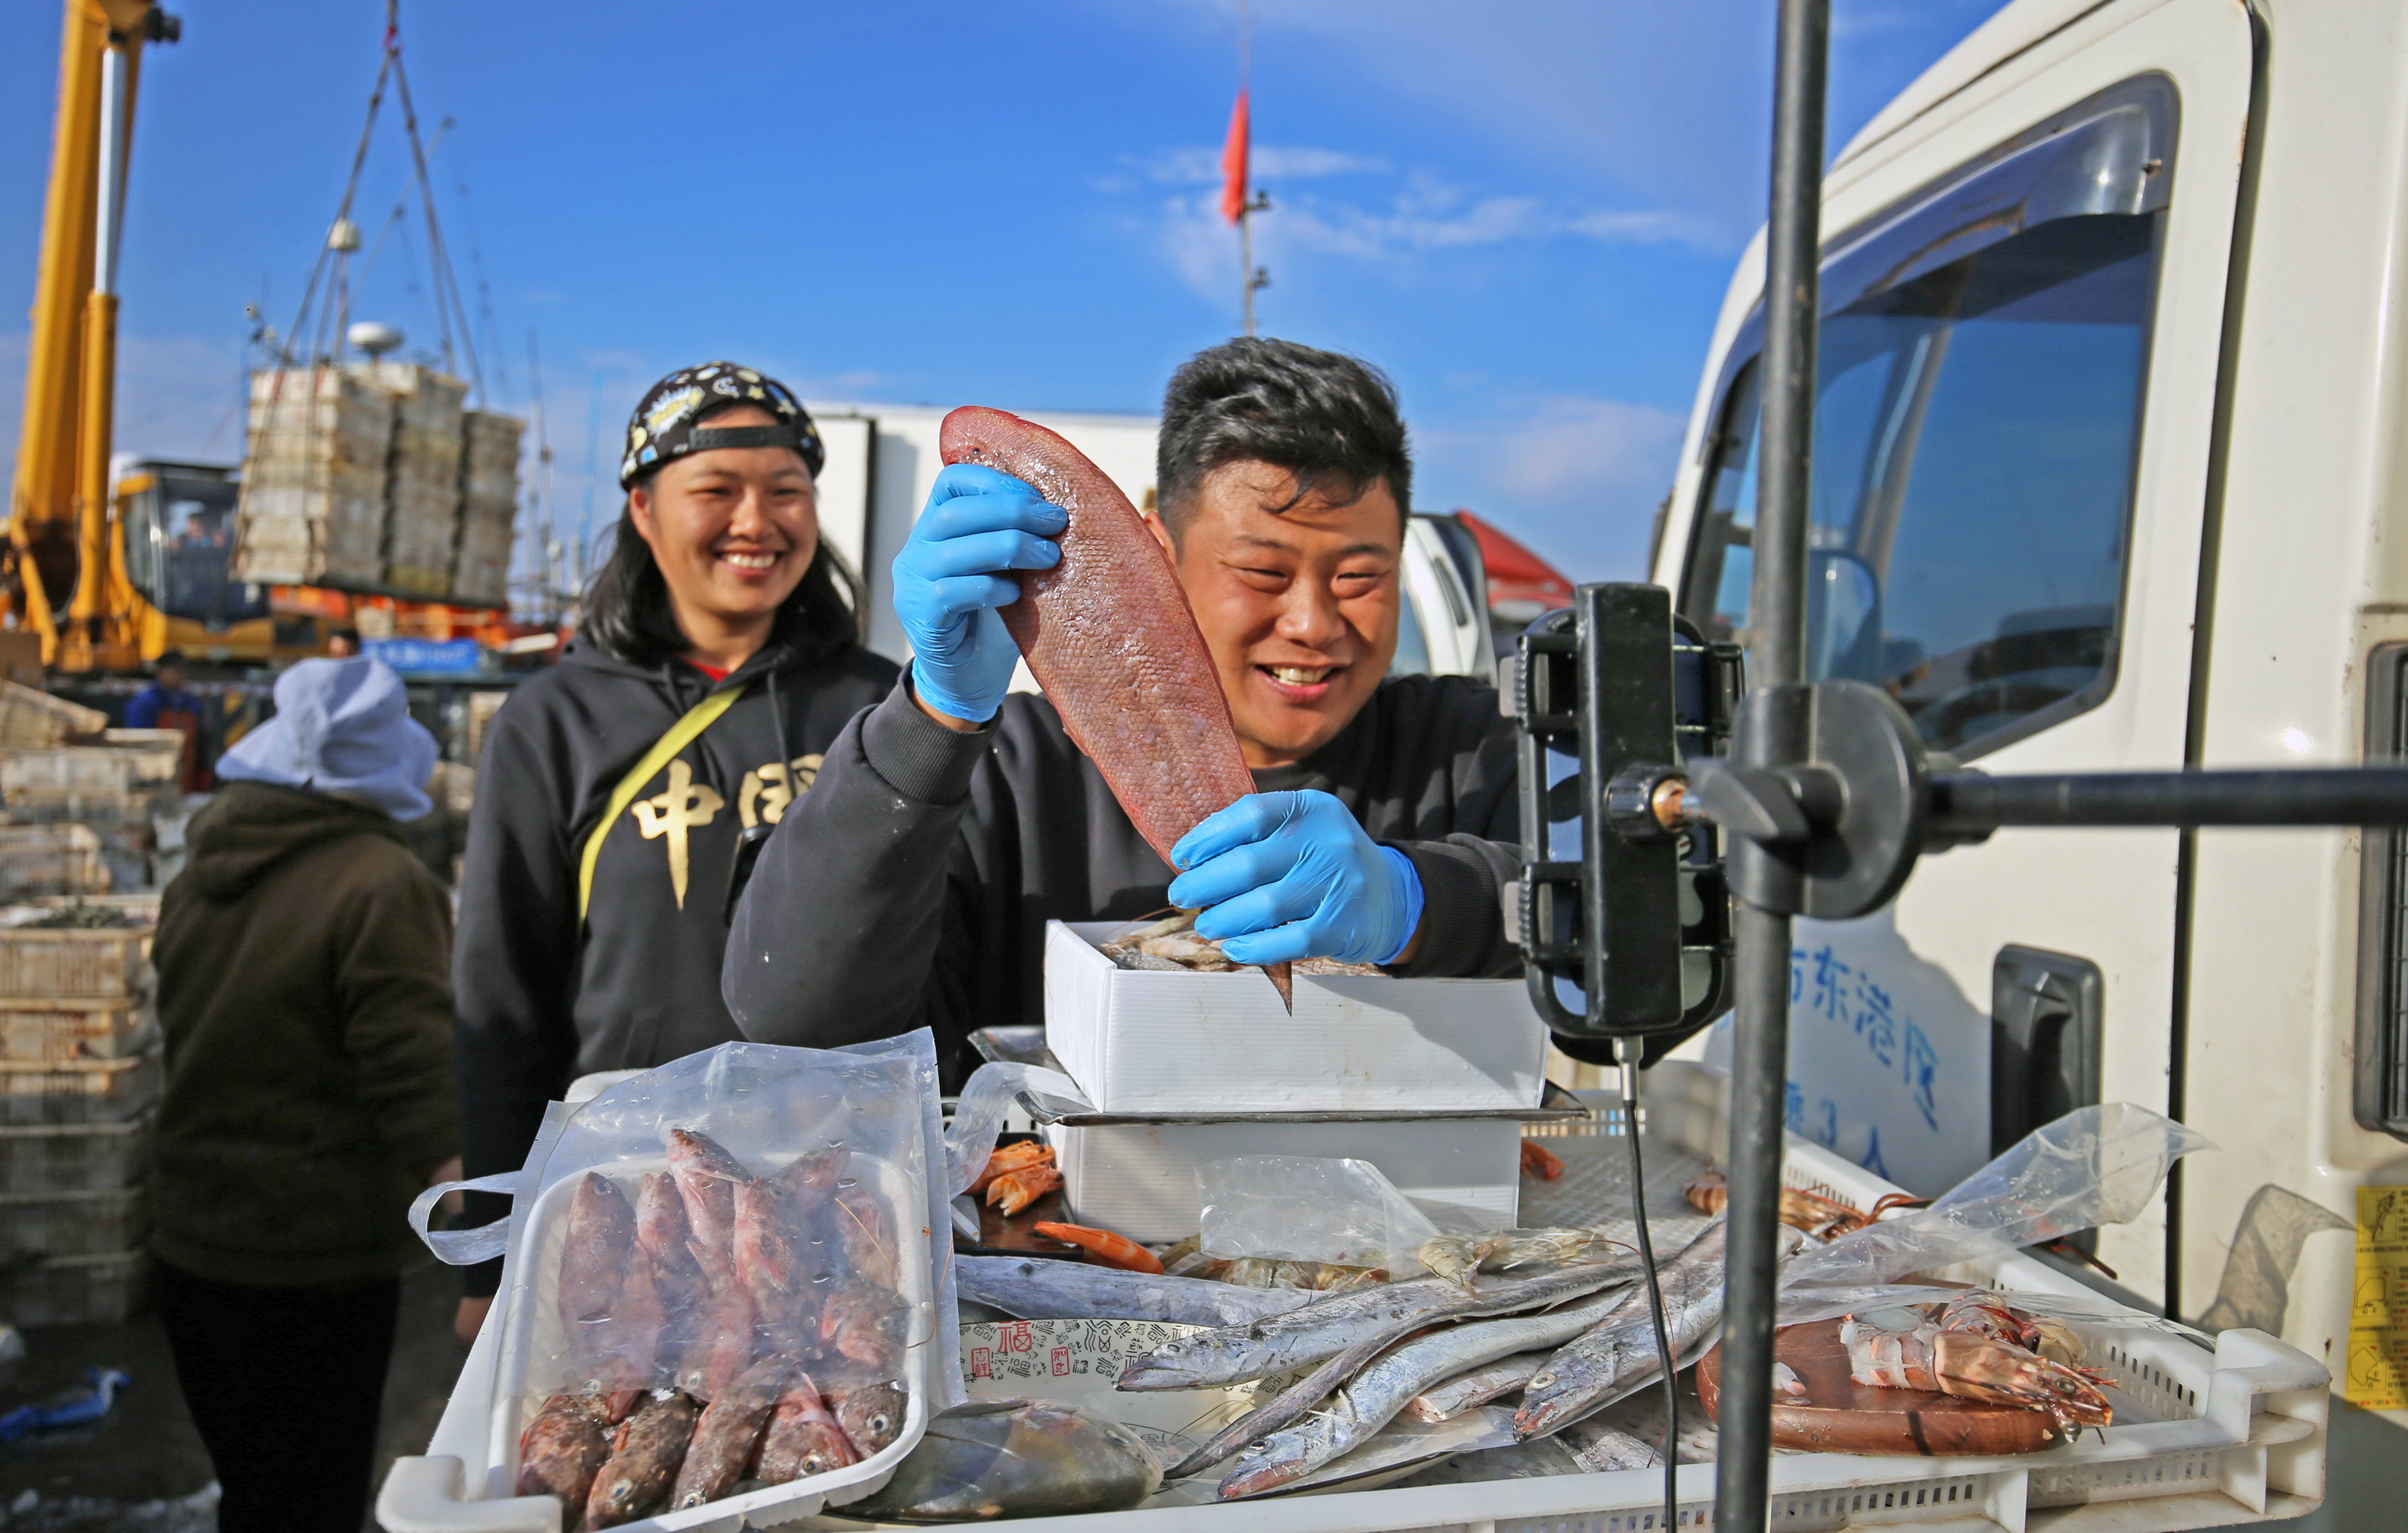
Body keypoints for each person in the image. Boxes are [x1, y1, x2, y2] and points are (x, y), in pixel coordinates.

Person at [725, 339, 1521, 1075]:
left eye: (1359, 579)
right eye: (1263, 575)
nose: (1313, 624)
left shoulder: (1469, 746)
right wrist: (928, 723)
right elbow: (798, 1021)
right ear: (1156, 556)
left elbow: (1631, 961)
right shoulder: (1009, 770)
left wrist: (1420, 897)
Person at [452, 362, 898, 1343]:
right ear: (644, 511)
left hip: (839, 1191)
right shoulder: (552, 722)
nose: (757, 520)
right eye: (717, 491)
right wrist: (491, 1247)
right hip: (633, 1202)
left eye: (786, 492)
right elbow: (500, 994)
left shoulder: (881, 707)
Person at [148, 656, 458, 1533]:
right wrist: (485, 1229)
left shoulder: (203, 864)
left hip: (193, 1240)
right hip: (309, 1258)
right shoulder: (378, 878)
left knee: (252, 1491)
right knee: (315, 1496)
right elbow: (413, 1065)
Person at [123, 652, 199, 729]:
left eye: (183, 672)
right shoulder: (144, 703)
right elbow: (138, 735)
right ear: (159, 671)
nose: (180, 676)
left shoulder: (189, 702)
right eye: (176, 672)